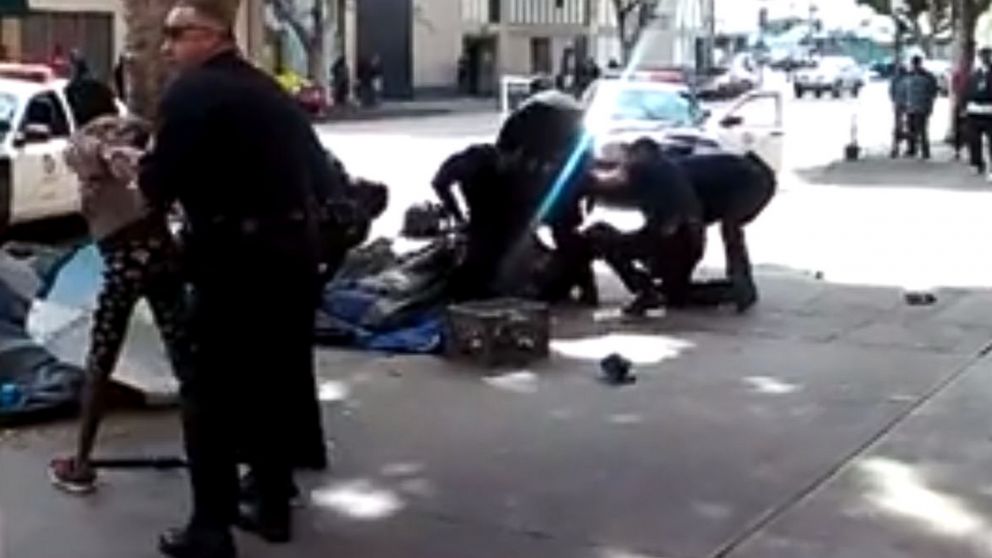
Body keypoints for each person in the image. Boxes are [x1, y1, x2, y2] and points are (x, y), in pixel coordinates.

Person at [138, 1, 329, 555]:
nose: (168, 46)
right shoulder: (272, 92)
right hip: (294, 255)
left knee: (208, 394)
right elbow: (318, 174)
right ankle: (272, 505)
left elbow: (158, 184)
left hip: (233, 261)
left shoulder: (192, 94)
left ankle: (210, 526)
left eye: (177, 34)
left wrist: (137, 164)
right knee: (272, 383)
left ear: (211, 34)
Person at [49, 114, 189, 495]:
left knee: (102, 356)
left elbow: (87, 153)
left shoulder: (120, 158)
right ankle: (215, 455)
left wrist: (117, 154)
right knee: (184, 356)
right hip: (161, 256)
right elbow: (77, 153)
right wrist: (112, 153)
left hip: (130, 260)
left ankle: (80, 463)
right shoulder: (104, 153)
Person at [584, 138, 705, 315]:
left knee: (600, 236)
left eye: (630, 156)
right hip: (688, 244)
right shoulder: (668, 169)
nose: (627, 161)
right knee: (677, 296)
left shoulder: (646, 168)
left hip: (672, 243)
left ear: (640, 154)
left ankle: (646, 291)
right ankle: (660, 290)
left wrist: (585, 178)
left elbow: (610, 183)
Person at [903, 55, 939, 159]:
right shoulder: (911, 75)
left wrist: (929, 105)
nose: (914, 66)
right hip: (913, 106)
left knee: (922, 129)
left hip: (920, 106)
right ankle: (913, 149)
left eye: (915, 63)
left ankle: (924, 151)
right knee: (912, 128)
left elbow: (933, 92)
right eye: (914, 64)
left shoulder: (927, 76)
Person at [966, 47, 992, 177]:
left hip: (989, 111)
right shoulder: (975, 74)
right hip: (974, 111)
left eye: (987, 56)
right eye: (982, 56)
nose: (984, 58)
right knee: (973, 140)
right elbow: (967, 91)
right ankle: (976, 163)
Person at [889, 66, 908, 158]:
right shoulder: (908, 80)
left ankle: (895, 147)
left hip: (898, 104)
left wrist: (894, 100)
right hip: (908, 104)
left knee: (898, 124)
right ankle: (907, 146)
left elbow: (891, 92)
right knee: (908, 124)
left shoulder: (895, 80)